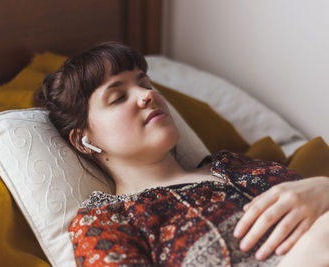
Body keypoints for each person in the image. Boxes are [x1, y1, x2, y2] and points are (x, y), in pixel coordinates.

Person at [36, 41, 329, 266]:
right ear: (84, 140)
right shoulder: (107, 222)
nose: (146, 95)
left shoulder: (237, 166)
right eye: (118, 97)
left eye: (144, 83)